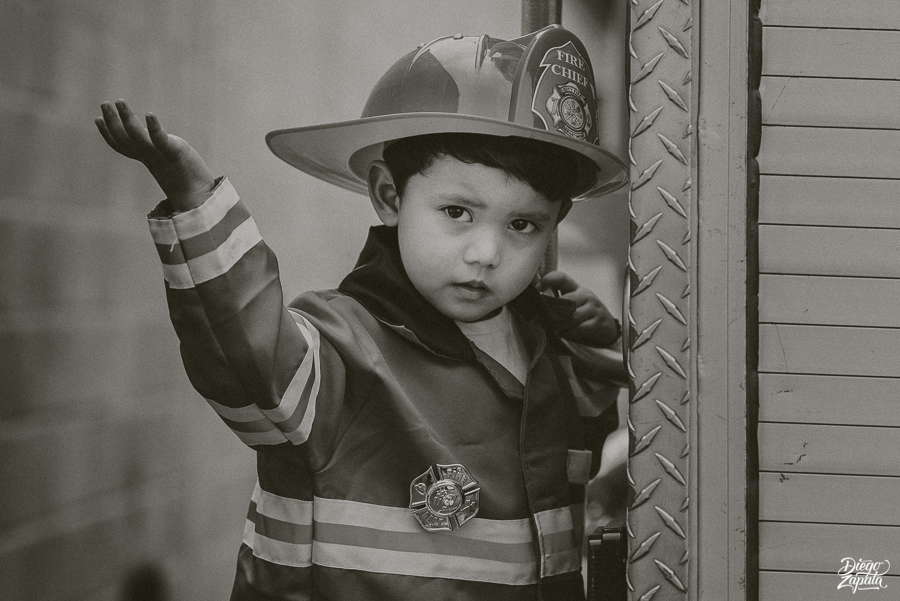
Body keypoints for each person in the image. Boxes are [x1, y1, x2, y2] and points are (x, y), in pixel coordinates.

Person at [96, 25, 628, 601]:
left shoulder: (558, 352)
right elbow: (245, 357)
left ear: (557, 221)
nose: (486, 254)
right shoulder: (335, 350)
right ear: (389, 196)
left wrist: (591, 350)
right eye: (457, 212)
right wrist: (196, 202)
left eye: (523, 224)